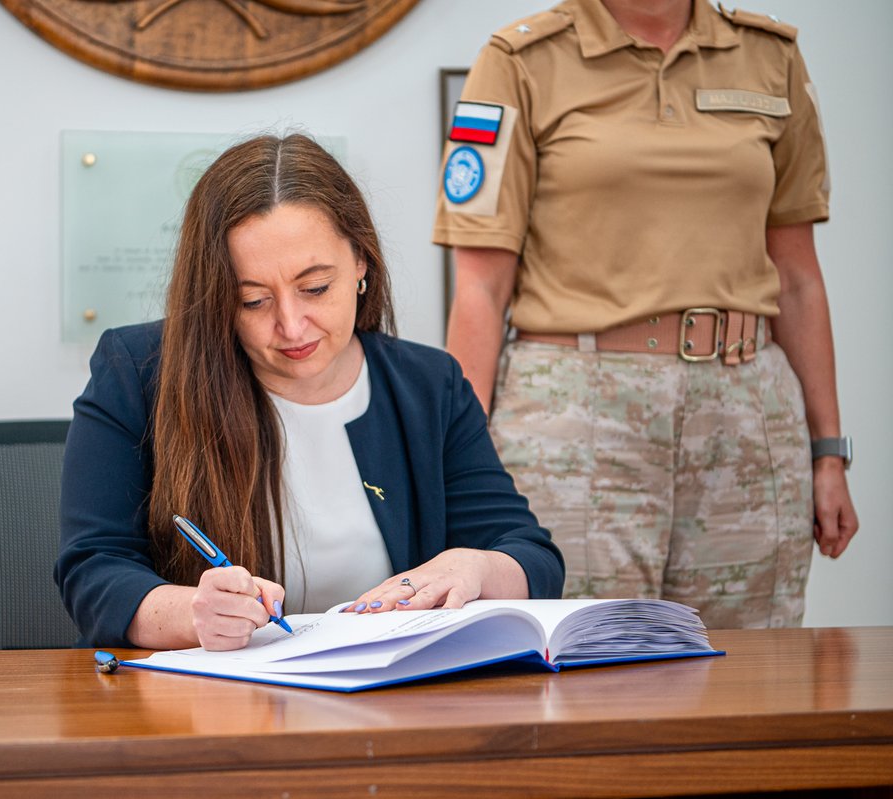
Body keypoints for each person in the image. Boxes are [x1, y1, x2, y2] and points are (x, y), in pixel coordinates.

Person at [432, 0, 858, 628]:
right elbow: (480, 291)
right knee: (576, 658)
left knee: (751, 671)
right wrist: (462, 471)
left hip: (744, 411)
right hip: (574, 413)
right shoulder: (519, 59)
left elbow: (797, 278)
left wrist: (829, 454)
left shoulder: (771, 56)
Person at [58, 133, 564, 651]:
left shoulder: (430, 385)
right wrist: (192, 614)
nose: (292, 326)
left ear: (361, 263)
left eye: (316, 288)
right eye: (253, 300)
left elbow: (533, 557)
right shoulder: (138, 372)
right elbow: (93, 569)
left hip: (388, 704)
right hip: (200, 708)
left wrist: (476, 566)